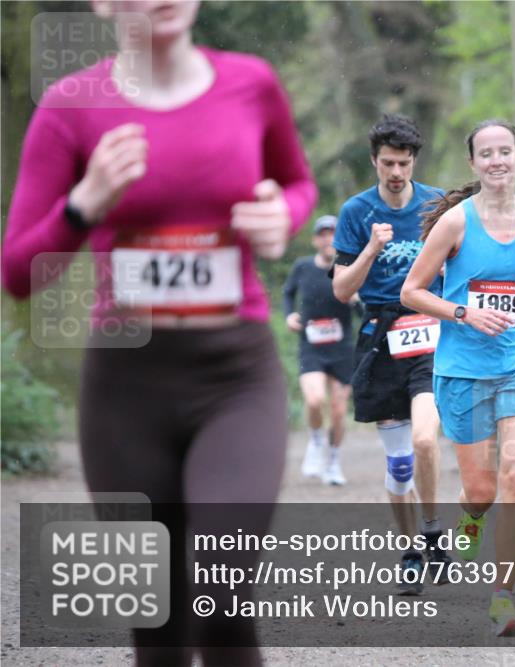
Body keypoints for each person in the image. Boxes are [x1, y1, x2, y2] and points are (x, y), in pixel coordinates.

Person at [1, 2, 316, 664]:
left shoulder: (252, 83)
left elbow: (297, 183)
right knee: (157, 618)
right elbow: (18, 270)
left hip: (236, 377)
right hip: (125, 391)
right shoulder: (70, 107)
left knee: (220, 593)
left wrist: (282, 216)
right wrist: (82, 206)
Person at [401, 119, 515, 636]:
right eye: (487, 153)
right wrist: (463, 314)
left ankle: (503, 598)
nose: (497, 160)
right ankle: (473, 517)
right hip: (463, 370)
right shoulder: (456, 224)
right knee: (481, 490)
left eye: (506, 151)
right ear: (474, 164)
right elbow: (412, 292)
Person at [332, 114, 451, 595]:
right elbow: (342, 290)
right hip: (381, 335)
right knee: (400, 464)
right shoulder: (355, 212)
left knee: (426, 440)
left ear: (414, 162)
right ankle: (409, 553)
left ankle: (432, 528)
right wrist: (371, 250)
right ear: (374, 162)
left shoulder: (438, 205)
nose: (396, 172)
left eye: (403, 163)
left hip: (430, 330)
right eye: (387, 163)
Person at [284, 215, 355, 485]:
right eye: (323, 234)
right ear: (315, 239)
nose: (328, 239)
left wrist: (358, 299)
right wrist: (290, 315)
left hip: (341, 348)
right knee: (314, 400)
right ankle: (315, 441)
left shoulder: (349, 268)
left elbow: (363, 307)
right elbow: (288, 293)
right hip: (311, 346)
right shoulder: (302, 267)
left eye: (333, 234)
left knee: (338, 409)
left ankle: (334, 461)